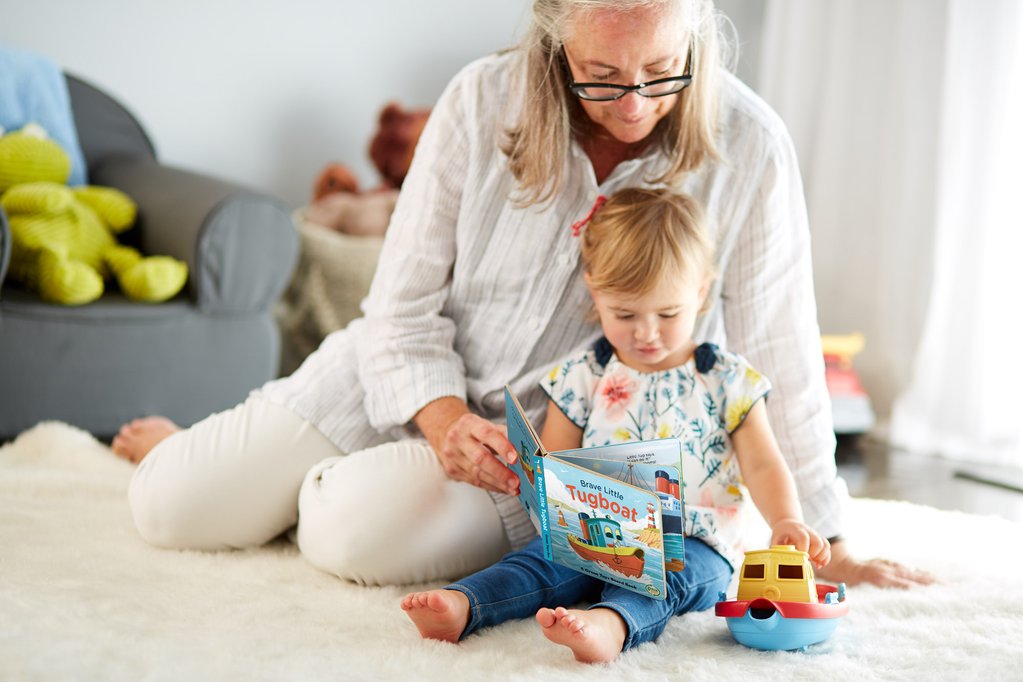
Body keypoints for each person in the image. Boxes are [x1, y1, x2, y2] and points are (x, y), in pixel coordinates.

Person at [114, 0, 931, 589]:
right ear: (553, 39)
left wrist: (826, 535)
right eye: (601, 77)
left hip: (538, 460)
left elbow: (780, 358)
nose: (636, 106)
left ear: (699, 33)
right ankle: (215, 460)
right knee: (168, 510)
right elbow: (398, 311)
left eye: (660, 72)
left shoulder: (751, 147)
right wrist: (439, 422)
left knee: (347, 531)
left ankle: (288, 487)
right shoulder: (480, 100)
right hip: (398, 380)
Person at [402, 187, 831, 663]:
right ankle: (466, 603)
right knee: (537, 562)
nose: (646, 333)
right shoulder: (584, 376)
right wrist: (543, 489)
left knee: (671, 580)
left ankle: (612, 624)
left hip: (696, 543)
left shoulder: (727, 380)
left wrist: (786, 518)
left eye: (668, 314)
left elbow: (765, 462)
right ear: (595, 291)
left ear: (702, 291)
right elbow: (556, 462)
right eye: (624, 314)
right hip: (598, 531)